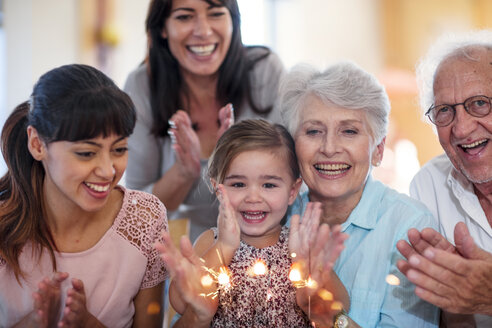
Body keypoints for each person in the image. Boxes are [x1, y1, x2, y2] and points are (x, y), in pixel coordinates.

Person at [0, 64, 168, 328]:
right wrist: (35, 322)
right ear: (37, 144)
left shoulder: (144, 218)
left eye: (119, 149)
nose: (108, 170)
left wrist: (88, 324)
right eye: (86, 153)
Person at [279, 62, 440, 327]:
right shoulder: (274, 214)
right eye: (313, 131)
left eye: (349, 131)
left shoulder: (410, 228)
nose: (329, 148)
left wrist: (328, 313)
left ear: (378, 149)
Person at [155, 119, 349, 327]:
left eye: (268, 185)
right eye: (238, 184)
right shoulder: (213, 240)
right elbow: (181, 302)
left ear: (292, 191)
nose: (253, 197)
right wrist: (224, 247)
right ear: (218, 189)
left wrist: (305, 265)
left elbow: (341, 306)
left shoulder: (300, 246)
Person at [124, 0, 285, 242]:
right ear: (163, 28)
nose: (203, 31)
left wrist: (234, 164)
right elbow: (138, 212)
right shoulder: (142, 86)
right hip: (185, 251)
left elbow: (291, 182)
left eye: (216, 14)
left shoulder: (264, 70)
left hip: (261, 247)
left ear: (233, 21)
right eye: (185, 17)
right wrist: (183, 172)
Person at [396, 30, 492, 327]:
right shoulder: (429, 185)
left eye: (479, 103)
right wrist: (455, 301)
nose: (461, 129)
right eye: (444, 111)